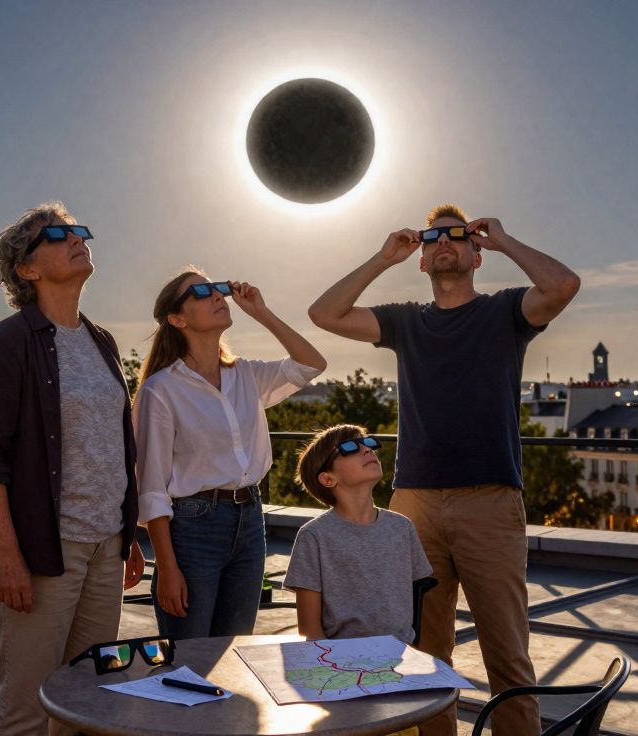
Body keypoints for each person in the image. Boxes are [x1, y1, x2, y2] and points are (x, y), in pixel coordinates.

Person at [308, 204, 580, 735]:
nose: (443, 244)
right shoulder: (406, 321)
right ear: (422, 259)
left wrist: (505, 238)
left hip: (490, 502)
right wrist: (382, 259)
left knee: (508, 659)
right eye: (433, 238)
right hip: (414, 506)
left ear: (477, 255)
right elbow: (325, 313)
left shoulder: (505, 311)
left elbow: (563, 284)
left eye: (457, 237)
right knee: (425, 657)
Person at [0, 201, 145, 736]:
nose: (76, 238)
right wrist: (9, 556)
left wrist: (125, 535)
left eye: (78, 231)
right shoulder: (8, 342)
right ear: (27, 269)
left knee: (86, 704)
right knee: (27, 709)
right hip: (42, 551)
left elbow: (113, 446)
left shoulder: (101, 341)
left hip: (103, 548)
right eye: (58, 235)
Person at [135, 269, 326, 640]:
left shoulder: (246, 375)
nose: (217, 296)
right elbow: (152, 487)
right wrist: (167, 569)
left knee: (235, 652)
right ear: (177, 318)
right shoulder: (162, 390)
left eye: (218, 289)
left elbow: (311, 364)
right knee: (189, 660)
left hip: (250, 521)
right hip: (192, 529)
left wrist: (262, 313)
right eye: (202, 292)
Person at [284, 424, 432, 644]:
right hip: (342, 662)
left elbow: (417, 605)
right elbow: (310, 631)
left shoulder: (402, 528)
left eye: (368, 442)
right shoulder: (314, 536)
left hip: (401, 659)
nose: (367, 449)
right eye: (350, 446)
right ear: (327, 479)